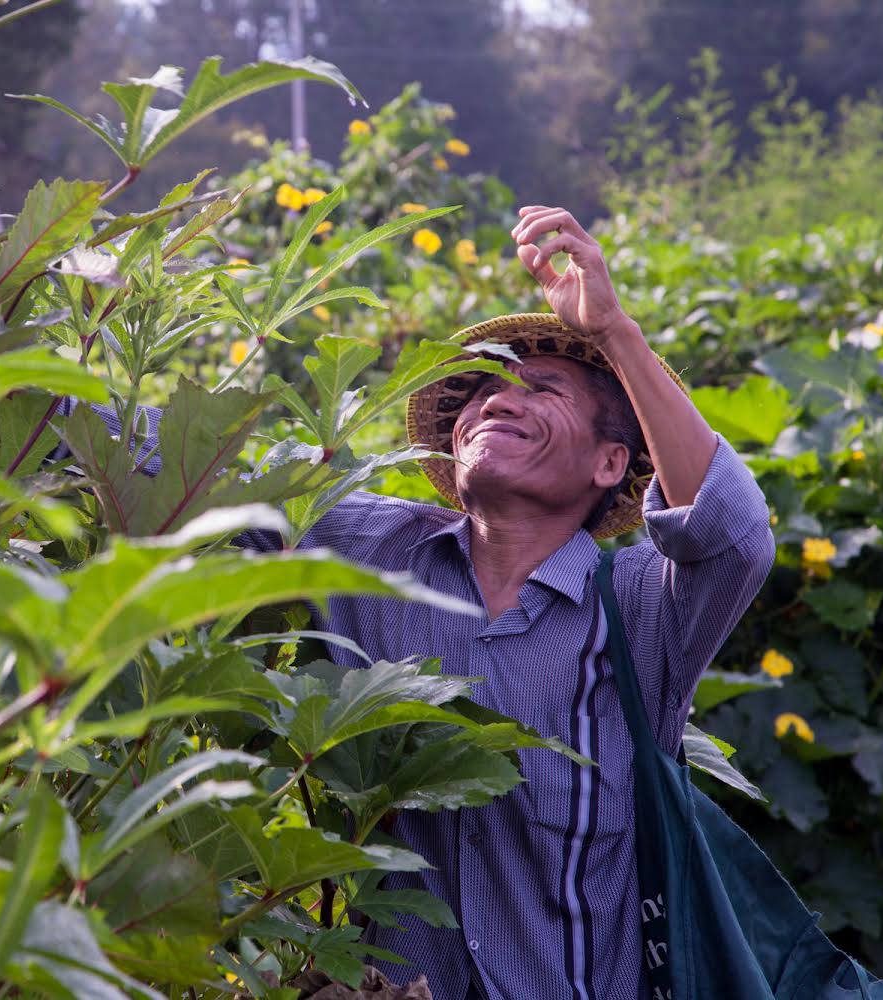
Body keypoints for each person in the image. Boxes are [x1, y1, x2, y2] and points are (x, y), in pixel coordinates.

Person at [60, 206, 776, 1000]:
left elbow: (733, 534)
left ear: (612, 463)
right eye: (485, 390)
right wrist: (8, 330)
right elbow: (183, 461)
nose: (499, 401)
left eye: (543, 389)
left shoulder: (639, 607)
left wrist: (614, 334)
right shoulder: (371, 548)